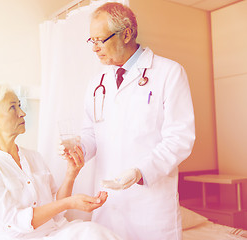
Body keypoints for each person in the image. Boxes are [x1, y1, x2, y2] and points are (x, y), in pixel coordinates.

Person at [77, 2, 195, 240]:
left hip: (150, 204)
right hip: (108, 201)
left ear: (127, 34)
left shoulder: (169, 73)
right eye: (92, 41)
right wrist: (78, 148)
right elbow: (92, 132)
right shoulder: (97, 82)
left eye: (100, 40)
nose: (95, 48)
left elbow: (180, 138)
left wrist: (141, 171)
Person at [0, 84, 122, 240]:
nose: (23, 113)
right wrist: (69, 203)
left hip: (53, 232)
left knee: (95, 233)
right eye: (13, 108)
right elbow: (14, 223)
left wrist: (71, 174)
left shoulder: (34, 158)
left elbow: (56, 212)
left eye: (20, 106)